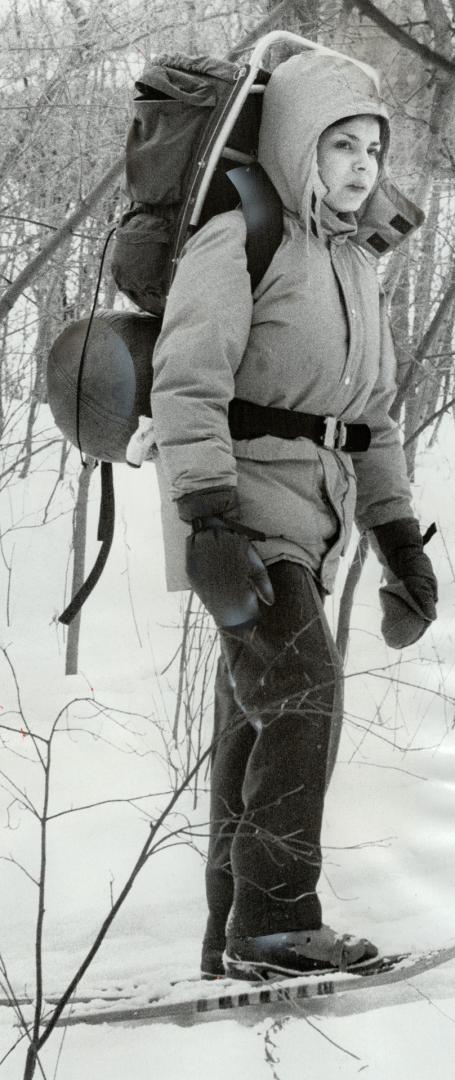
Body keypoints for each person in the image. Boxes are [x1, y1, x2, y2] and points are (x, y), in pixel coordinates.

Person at [150, 49, 437, 980]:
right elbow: (186, 384)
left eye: (371, 148)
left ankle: (231, 931)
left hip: (312, 524)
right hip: (239, 514)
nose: (360, 166)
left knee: (260, 714)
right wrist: (207, 520)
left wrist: (399, 543)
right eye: (338, 144)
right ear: (293, 147)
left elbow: (369, 419)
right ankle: (274, 919)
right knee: (303, 695)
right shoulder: (239, 239)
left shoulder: (354, 260)